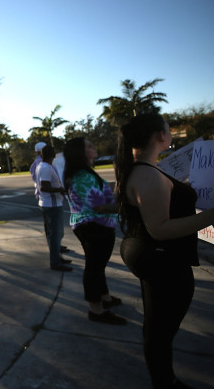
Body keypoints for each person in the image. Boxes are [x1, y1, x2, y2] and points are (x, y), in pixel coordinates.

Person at [117, 113, 214, 389]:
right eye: (169, 129)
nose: (170, 133)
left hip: (149, 253)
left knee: (156, 324)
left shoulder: (139, 169)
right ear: (160, 136)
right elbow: (160, 228)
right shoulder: (147, 174)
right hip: (160, 257)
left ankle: (163, 378)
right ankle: (165, 382)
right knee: (161, 331)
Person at [63, 137, 125, 325]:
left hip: (96, 226)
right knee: (94, 268)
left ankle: (104, 297)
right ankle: (95, 310)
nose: (94, 147)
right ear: (80, 153)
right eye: (89, 146)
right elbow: (100, 207)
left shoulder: (85, 173)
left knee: (98, 265)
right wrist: (129, 205)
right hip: (93, 227)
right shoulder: (83, 176)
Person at [35, 145, 73, 271]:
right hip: (52, 205)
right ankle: (55, 262)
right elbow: (44, 186)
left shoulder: (42, 166)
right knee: (56, 235)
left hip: (47, 204)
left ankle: (56, 257)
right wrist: (60, 189)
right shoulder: (45, 167)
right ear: (54, 154)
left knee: (52, 235)